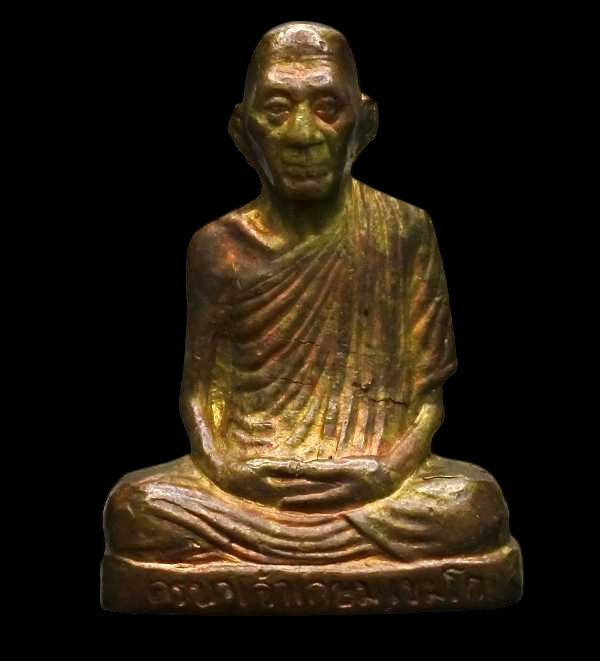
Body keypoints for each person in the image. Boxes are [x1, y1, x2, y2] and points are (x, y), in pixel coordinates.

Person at [104, 21, 510, 566]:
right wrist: (227, 470)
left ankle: (278, 551)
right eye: (276, 109)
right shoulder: (218, 247)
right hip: (249, 481)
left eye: (327, 107)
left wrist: (386, 473)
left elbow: (427, 402)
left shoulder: (404, 230)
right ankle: (319, 548)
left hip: (374, 480)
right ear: (243, 132)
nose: (302, 134)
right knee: (136, 508)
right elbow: (199, 395)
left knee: (473, 503)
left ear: (364, 123)